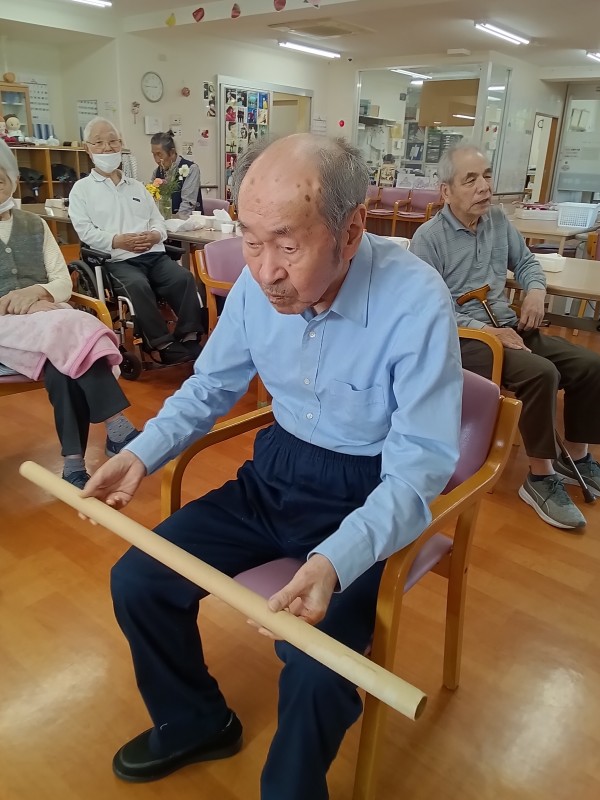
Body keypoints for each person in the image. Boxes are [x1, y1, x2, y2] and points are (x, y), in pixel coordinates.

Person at [81, 134, 463, 800]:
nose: (263, 272)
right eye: (250, 241)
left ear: (351, 231)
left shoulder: (415, 301)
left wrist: (335, 560)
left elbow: (419, 466)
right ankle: (196, 721)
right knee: (139, 580)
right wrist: (141, 451)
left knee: (316, 667)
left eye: (286, 245)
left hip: (366, 496)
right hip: (274, 476)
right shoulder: (258, 288)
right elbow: (209, 387)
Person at [411, 142, 600, 532]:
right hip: (465, 338)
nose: (484, 187)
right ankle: (540, 478)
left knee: (589, 365)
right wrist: (487, 331)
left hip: (508, 327)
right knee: (541, 373)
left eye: (486, 176)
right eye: (470, 179)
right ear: (446, 191)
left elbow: (527, 261)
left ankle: (577, 458)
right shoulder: (428, 239)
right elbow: (429, 307)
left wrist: (535, 290)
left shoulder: (497, 221)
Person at [0, 140, 139, 489]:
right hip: (7, 324)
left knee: (62, 364)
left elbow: (62, 280)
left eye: (0, 179)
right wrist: (16, 302)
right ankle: (118, 427)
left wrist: (37, 292)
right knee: (75, 328)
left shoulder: (34, 224)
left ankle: (73, 464)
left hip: (49, 318)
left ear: (12, 180)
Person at [69, 117, 205, 365]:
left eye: (113, 141)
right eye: (98, 143)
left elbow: (158, 221)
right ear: (87, 149)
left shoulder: (137, 187)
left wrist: (155, 235)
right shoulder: (82, 190)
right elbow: (85, 232)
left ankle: (189, 337)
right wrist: (117, 241)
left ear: (121, 144)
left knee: (183, 278)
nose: (107, 148)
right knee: (137, 285)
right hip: (118, 259)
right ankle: (161, 344)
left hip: (153, 254)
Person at [150, 131, 205, 217]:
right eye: (154, 155)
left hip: (187, 222)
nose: (157, 160)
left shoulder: (191, 169)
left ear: (172, 152)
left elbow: (187, 206)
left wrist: (172, 221)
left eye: (159, 154)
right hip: (164, 222)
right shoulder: (156, 172)